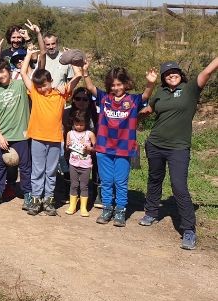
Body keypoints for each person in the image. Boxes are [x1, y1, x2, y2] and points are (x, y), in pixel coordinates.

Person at [139, 57, 218, 250]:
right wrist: (127, 115)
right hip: (155, 143)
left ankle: (189, 229)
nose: (170, 75)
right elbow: (149, 109)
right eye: (166, 74)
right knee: (154, 178)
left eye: (173, 72)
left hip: (178, 147)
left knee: (179, 186)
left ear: (180, 73)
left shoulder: (190, 88)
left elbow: (207, 71)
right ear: (163, 78)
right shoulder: (161, 93)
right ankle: (151, 212)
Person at [82, 61, 156, 226]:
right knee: (106, 181)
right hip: (103, 147)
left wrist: (150, 83)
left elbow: (145, 96)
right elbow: (91, 88)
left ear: (125, 84)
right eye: (113, 85)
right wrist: (85, 73)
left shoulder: (133, 100)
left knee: (120, 181)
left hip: (124, 147)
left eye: (119, 84)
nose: (116, 88)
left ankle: (120, 210)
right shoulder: (104, 98)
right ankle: (107, 208)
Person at [20, 22, 82, 217]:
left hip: (55, 138)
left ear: (51, 82)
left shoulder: (60, 94)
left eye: (45, 85)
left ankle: (49, 200)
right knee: (38, 170)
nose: (43, 88)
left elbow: (78, 76)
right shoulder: (36, 94)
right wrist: (29, 55)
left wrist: (72, 60)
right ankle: (36, 200)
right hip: (37, 137)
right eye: (40, 86)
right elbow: (23, 73)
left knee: (51, 170)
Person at [0, 57, 32, 208]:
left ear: (9, 70)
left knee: (25, 167)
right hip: (3, 136)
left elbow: (26, 72)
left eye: (2, 71)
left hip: (22, 135)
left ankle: (28, 194)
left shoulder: (20, 85)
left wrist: (29, 54)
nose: (0, 76)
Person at [65, 111, 96, 216]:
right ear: (73, 123)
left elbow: (96, 148)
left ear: (86, 123)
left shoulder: (90, 134)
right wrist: (68, 145)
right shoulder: (70, 133)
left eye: (81, 124)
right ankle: (72, 206)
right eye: (77, 124)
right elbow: (67, 148)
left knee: (84, 186)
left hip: (86, 165)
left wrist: (89, 148)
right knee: (73, 185)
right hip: (73, 163)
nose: (79, 126)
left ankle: (83, 207)